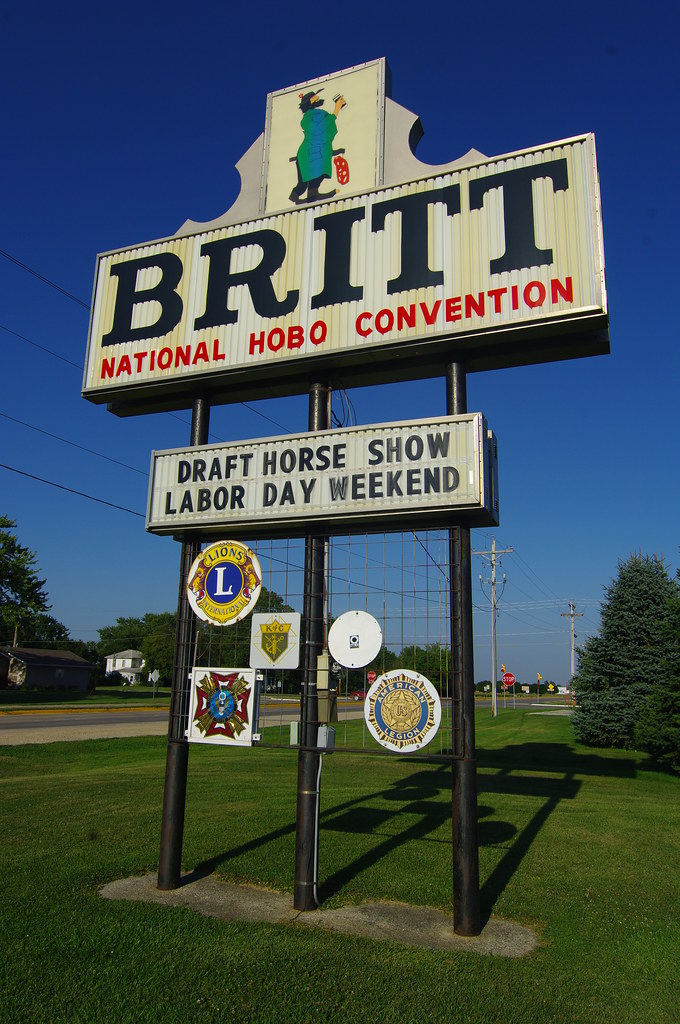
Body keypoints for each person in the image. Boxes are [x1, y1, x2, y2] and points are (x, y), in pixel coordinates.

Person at [289, 89, 346, 205]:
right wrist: (336, 111)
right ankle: (294, 196)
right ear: (310, 102)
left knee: (318, 174)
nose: (318, 98)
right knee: (303, 183)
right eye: (315, 97)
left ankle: (313, 193)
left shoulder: (319, 113)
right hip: (308, 153)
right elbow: (319, 129)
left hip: (319, 150)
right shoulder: (308, 117)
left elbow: (328, 130)